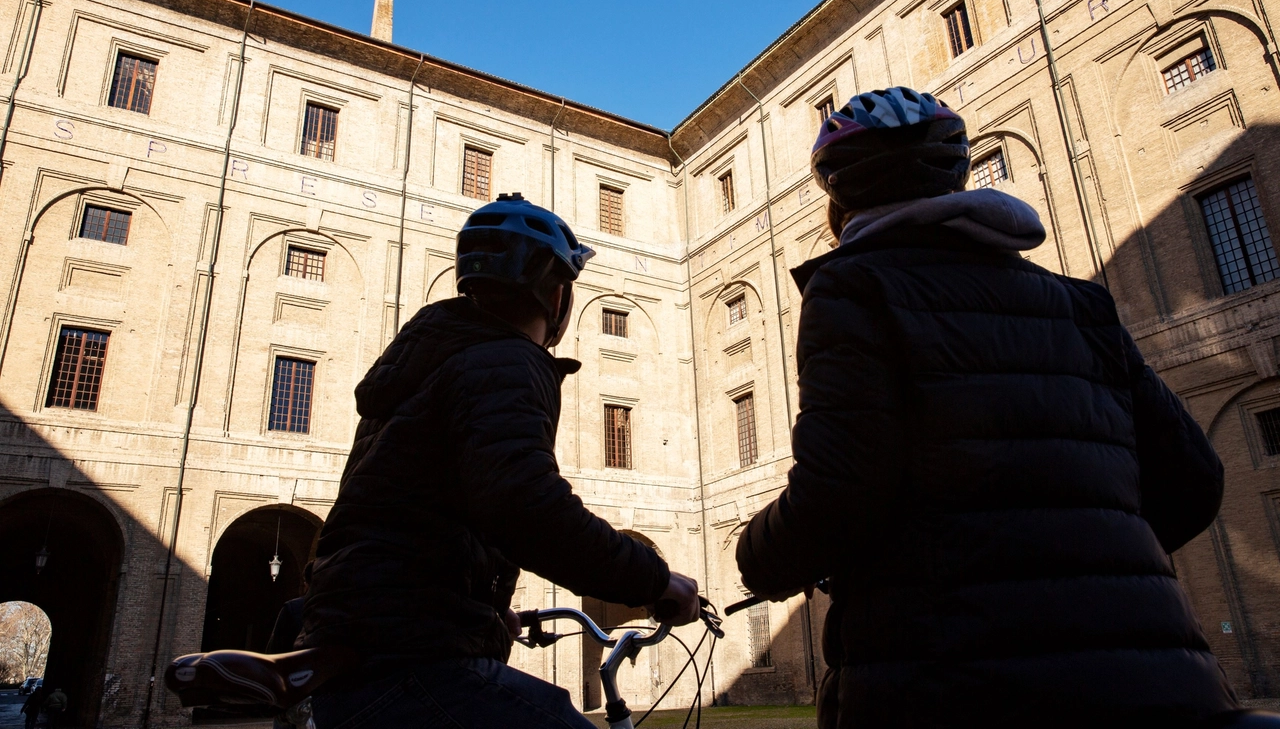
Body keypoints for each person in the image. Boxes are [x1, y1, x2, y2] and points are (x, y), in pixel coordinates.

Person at [735, 88, 1239, 727]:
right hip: (1160, 684)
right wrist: (1080, 565)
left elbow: (839, 492)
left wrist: (757, 557)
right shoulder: (1082, 304)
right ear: (959, 177)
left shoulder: (851, 286)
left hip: (949, 682)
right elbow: (1196, 479)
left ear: (839, 200)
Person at [299, 193, 700, 728]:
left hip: (359, 641)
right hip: (406, 657)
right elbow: (526, 506)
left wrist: (481, 614)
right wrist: (653, 580)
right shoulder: (505, 359)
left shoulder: (422, 368)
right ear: (557, 295)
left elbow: (404, 521)